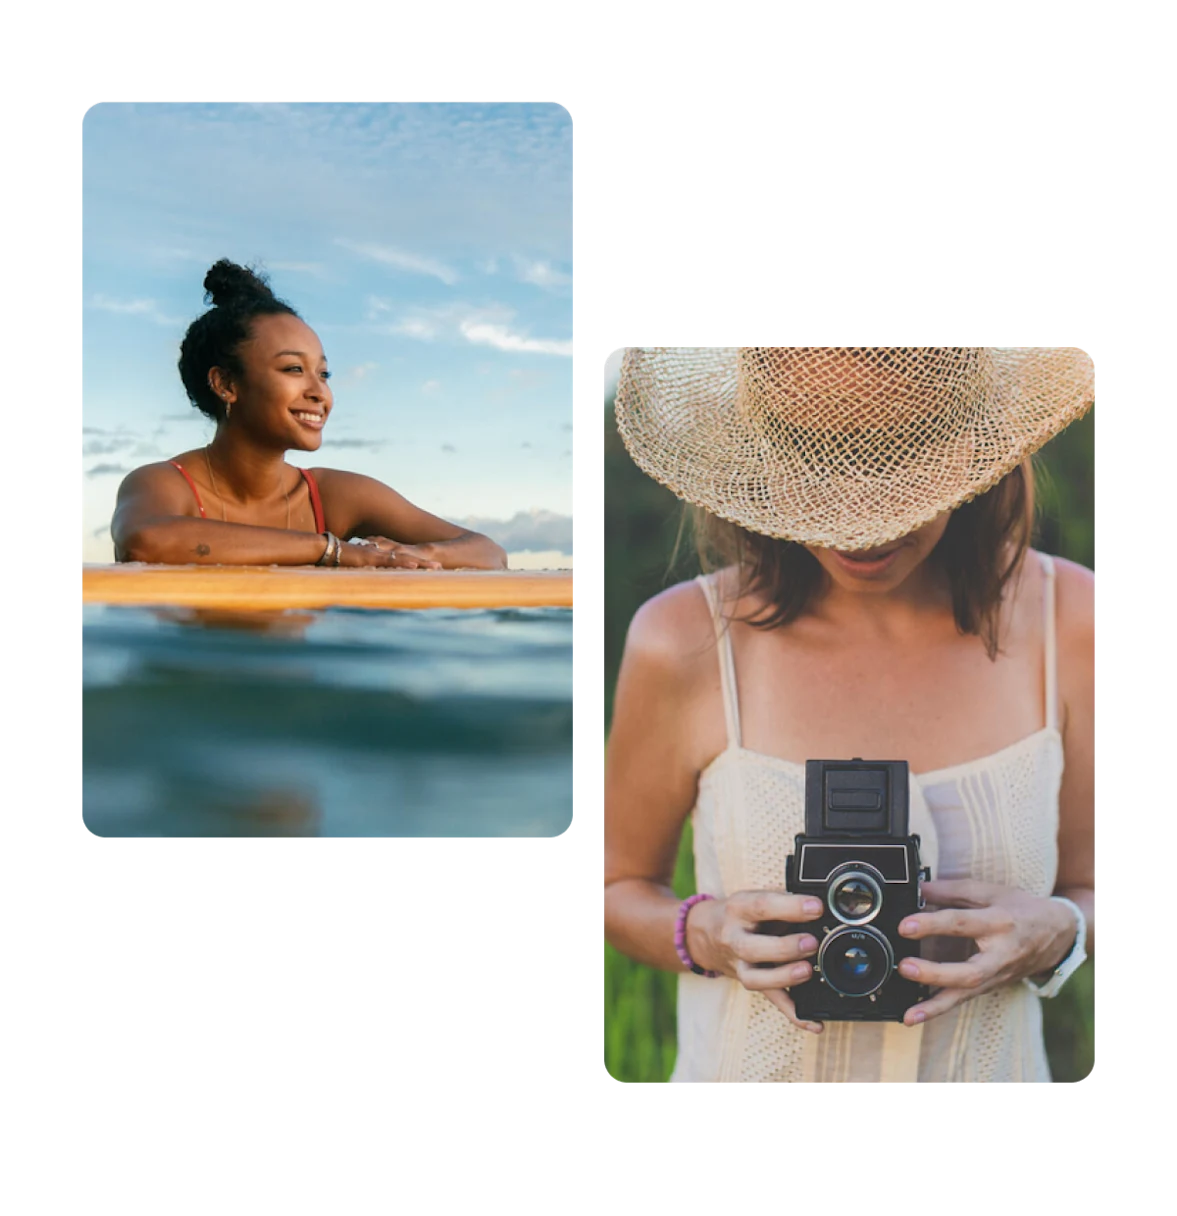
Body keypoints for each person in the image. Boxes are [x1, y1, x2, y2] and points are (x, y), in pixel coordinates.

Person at [603, 345, 1095, 1087]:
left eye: (898, 459)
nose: (858, 519)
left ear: (971, 441)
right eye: (816, 457)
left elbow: (1089, 882)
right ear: (762, 449)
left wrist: (1060, 931)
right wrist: (703, 934)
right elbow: (616, 886)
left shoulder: (1074, 621)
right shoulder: (680, 639)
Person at [111, 260, 508, 571]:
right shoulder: (164, 483)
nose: (320, 393)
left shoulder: (337, 497)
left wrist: (406, 553)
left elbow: (489, 554)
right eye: (293, 370)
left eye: (324, 373)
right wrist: (335, 552)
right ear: (226, 385)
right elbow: (145, 542)